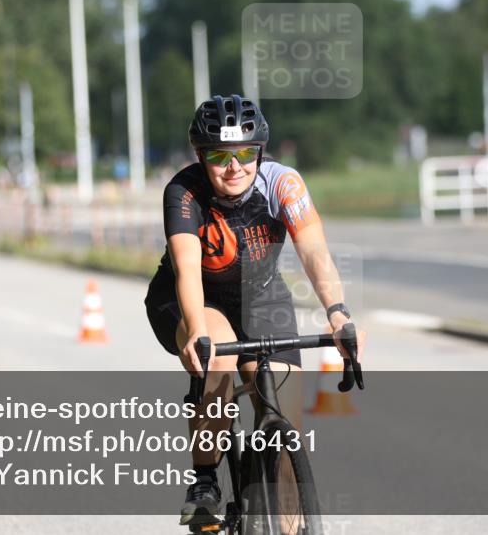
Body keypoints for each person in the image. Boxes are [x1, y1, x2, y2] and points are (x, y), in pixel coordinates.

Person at [144, 94, 365, 526]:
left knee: (286, 422)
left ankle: (285, 518)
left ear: (261, 152)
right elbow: (188, 269)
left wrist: (338, 313)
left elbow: (315, 253)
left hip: (262, 294)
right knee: (220, 353)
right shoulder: (184, 191)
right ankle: (206, 478)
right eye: (219, 156)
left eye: (245, 153)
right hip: (192, 297)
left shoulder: (284, 184)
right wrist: (196, 332)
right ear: (200, 157)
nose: (234, 167)